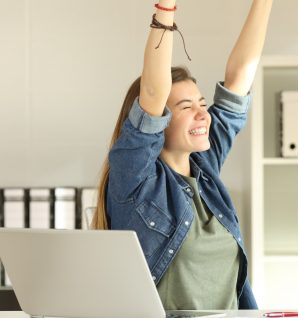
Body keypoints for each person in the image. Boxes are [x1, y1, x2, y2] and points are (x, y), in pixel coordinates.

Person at [92, 0, 273, 310]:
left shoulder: (205, 166)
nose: (203, 115)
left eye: (202, 104)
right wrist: (166, 9)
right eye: (186, 107)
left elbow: (241, 75)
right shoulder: (134, 181)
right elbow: (152, 93)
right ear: (158, 122)